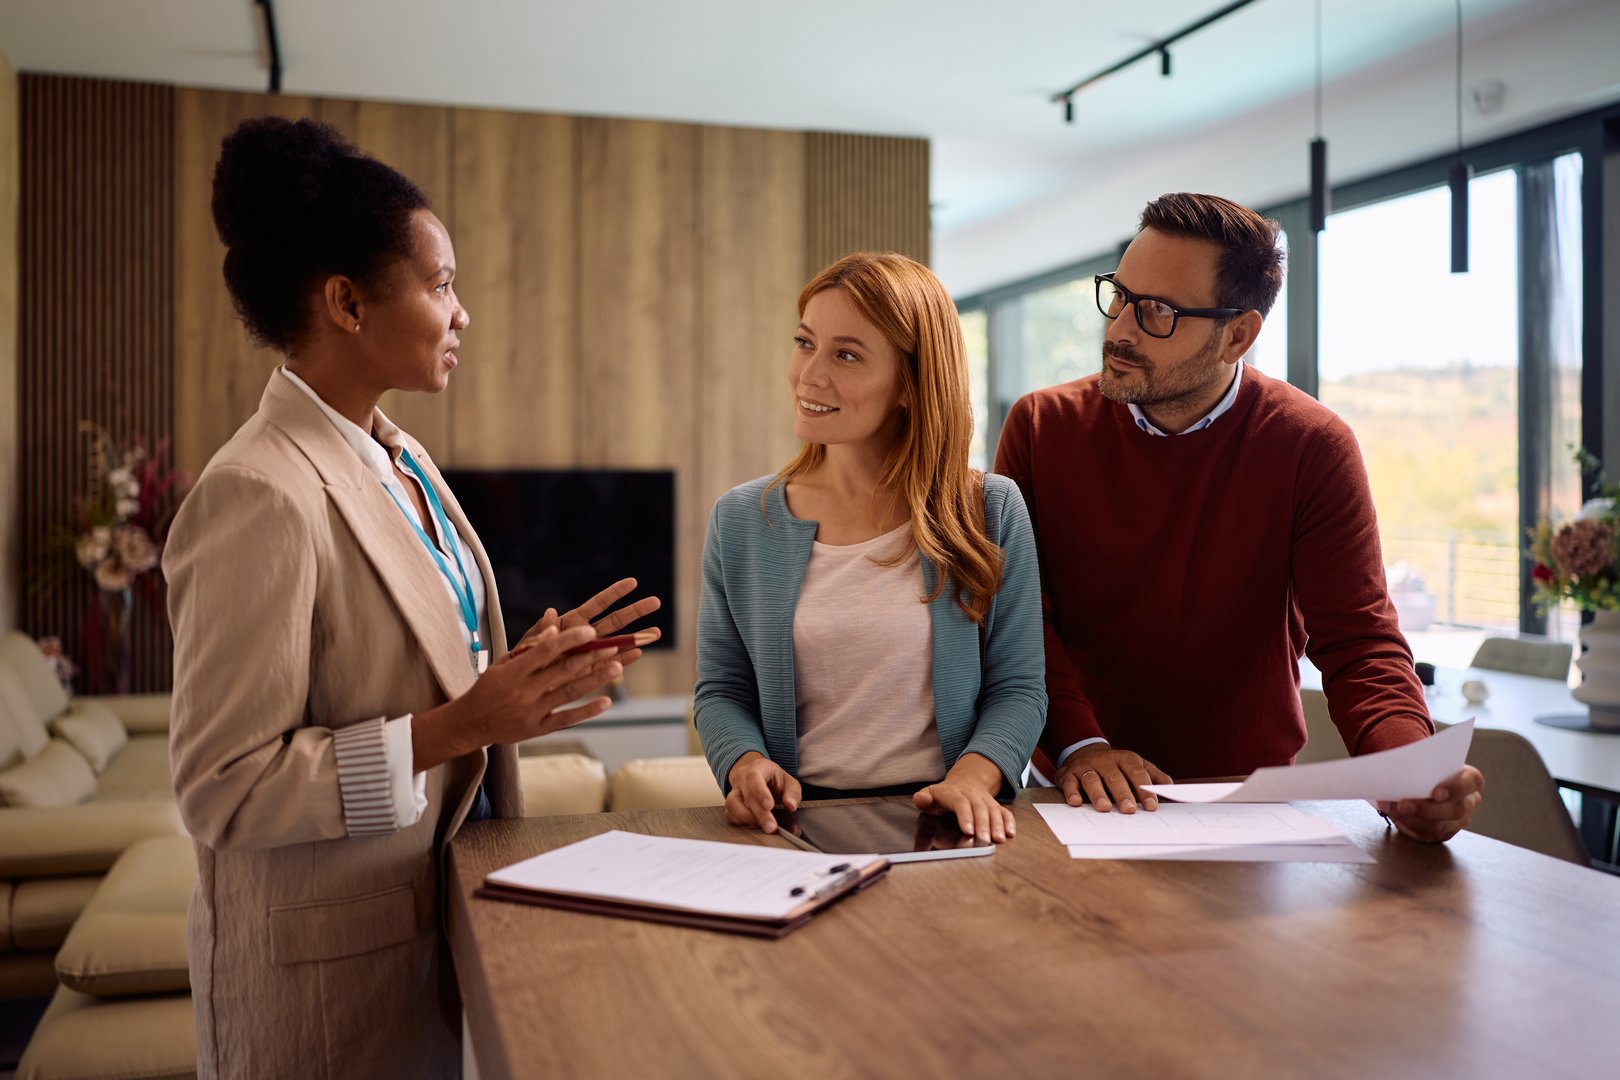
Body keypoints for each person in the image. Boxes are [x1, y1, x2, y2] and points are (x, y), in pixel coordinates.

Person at [163, 117, 659, 1077]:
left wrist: (516, 680)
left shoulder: (400, 455)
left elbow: (414, 667)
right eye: (439, 284)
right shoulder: (257, 491)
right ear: (347, 301)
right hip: (319, 989)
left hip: (424, 930)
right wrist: (459, 724)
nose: (462, 312)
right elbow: (222, 788)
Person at [994, 192, 1483, 843]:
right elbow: (1023, 620)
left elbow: (1358, 641)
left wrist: (1407, 770)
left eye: (1158, 312)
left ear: (1239, 334)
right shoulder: (1041, 426)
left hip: (1246, 806)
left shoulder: (1311, 445)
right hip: (1076, 793)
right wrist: (1083, 744)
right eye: (1120, 295)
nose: (1120, 329)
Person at [694, 252, 1047, 844]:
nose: (810, 374)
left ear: (911, 384)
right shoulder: (740, 520)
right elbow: (722, 691)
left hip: (952, 818)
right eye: (805, 342)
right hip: (796, 828)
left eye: (847, 355)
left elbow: (1019, 689)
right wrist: (744, 763)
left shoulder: (989, 510)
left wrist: (972, 780)